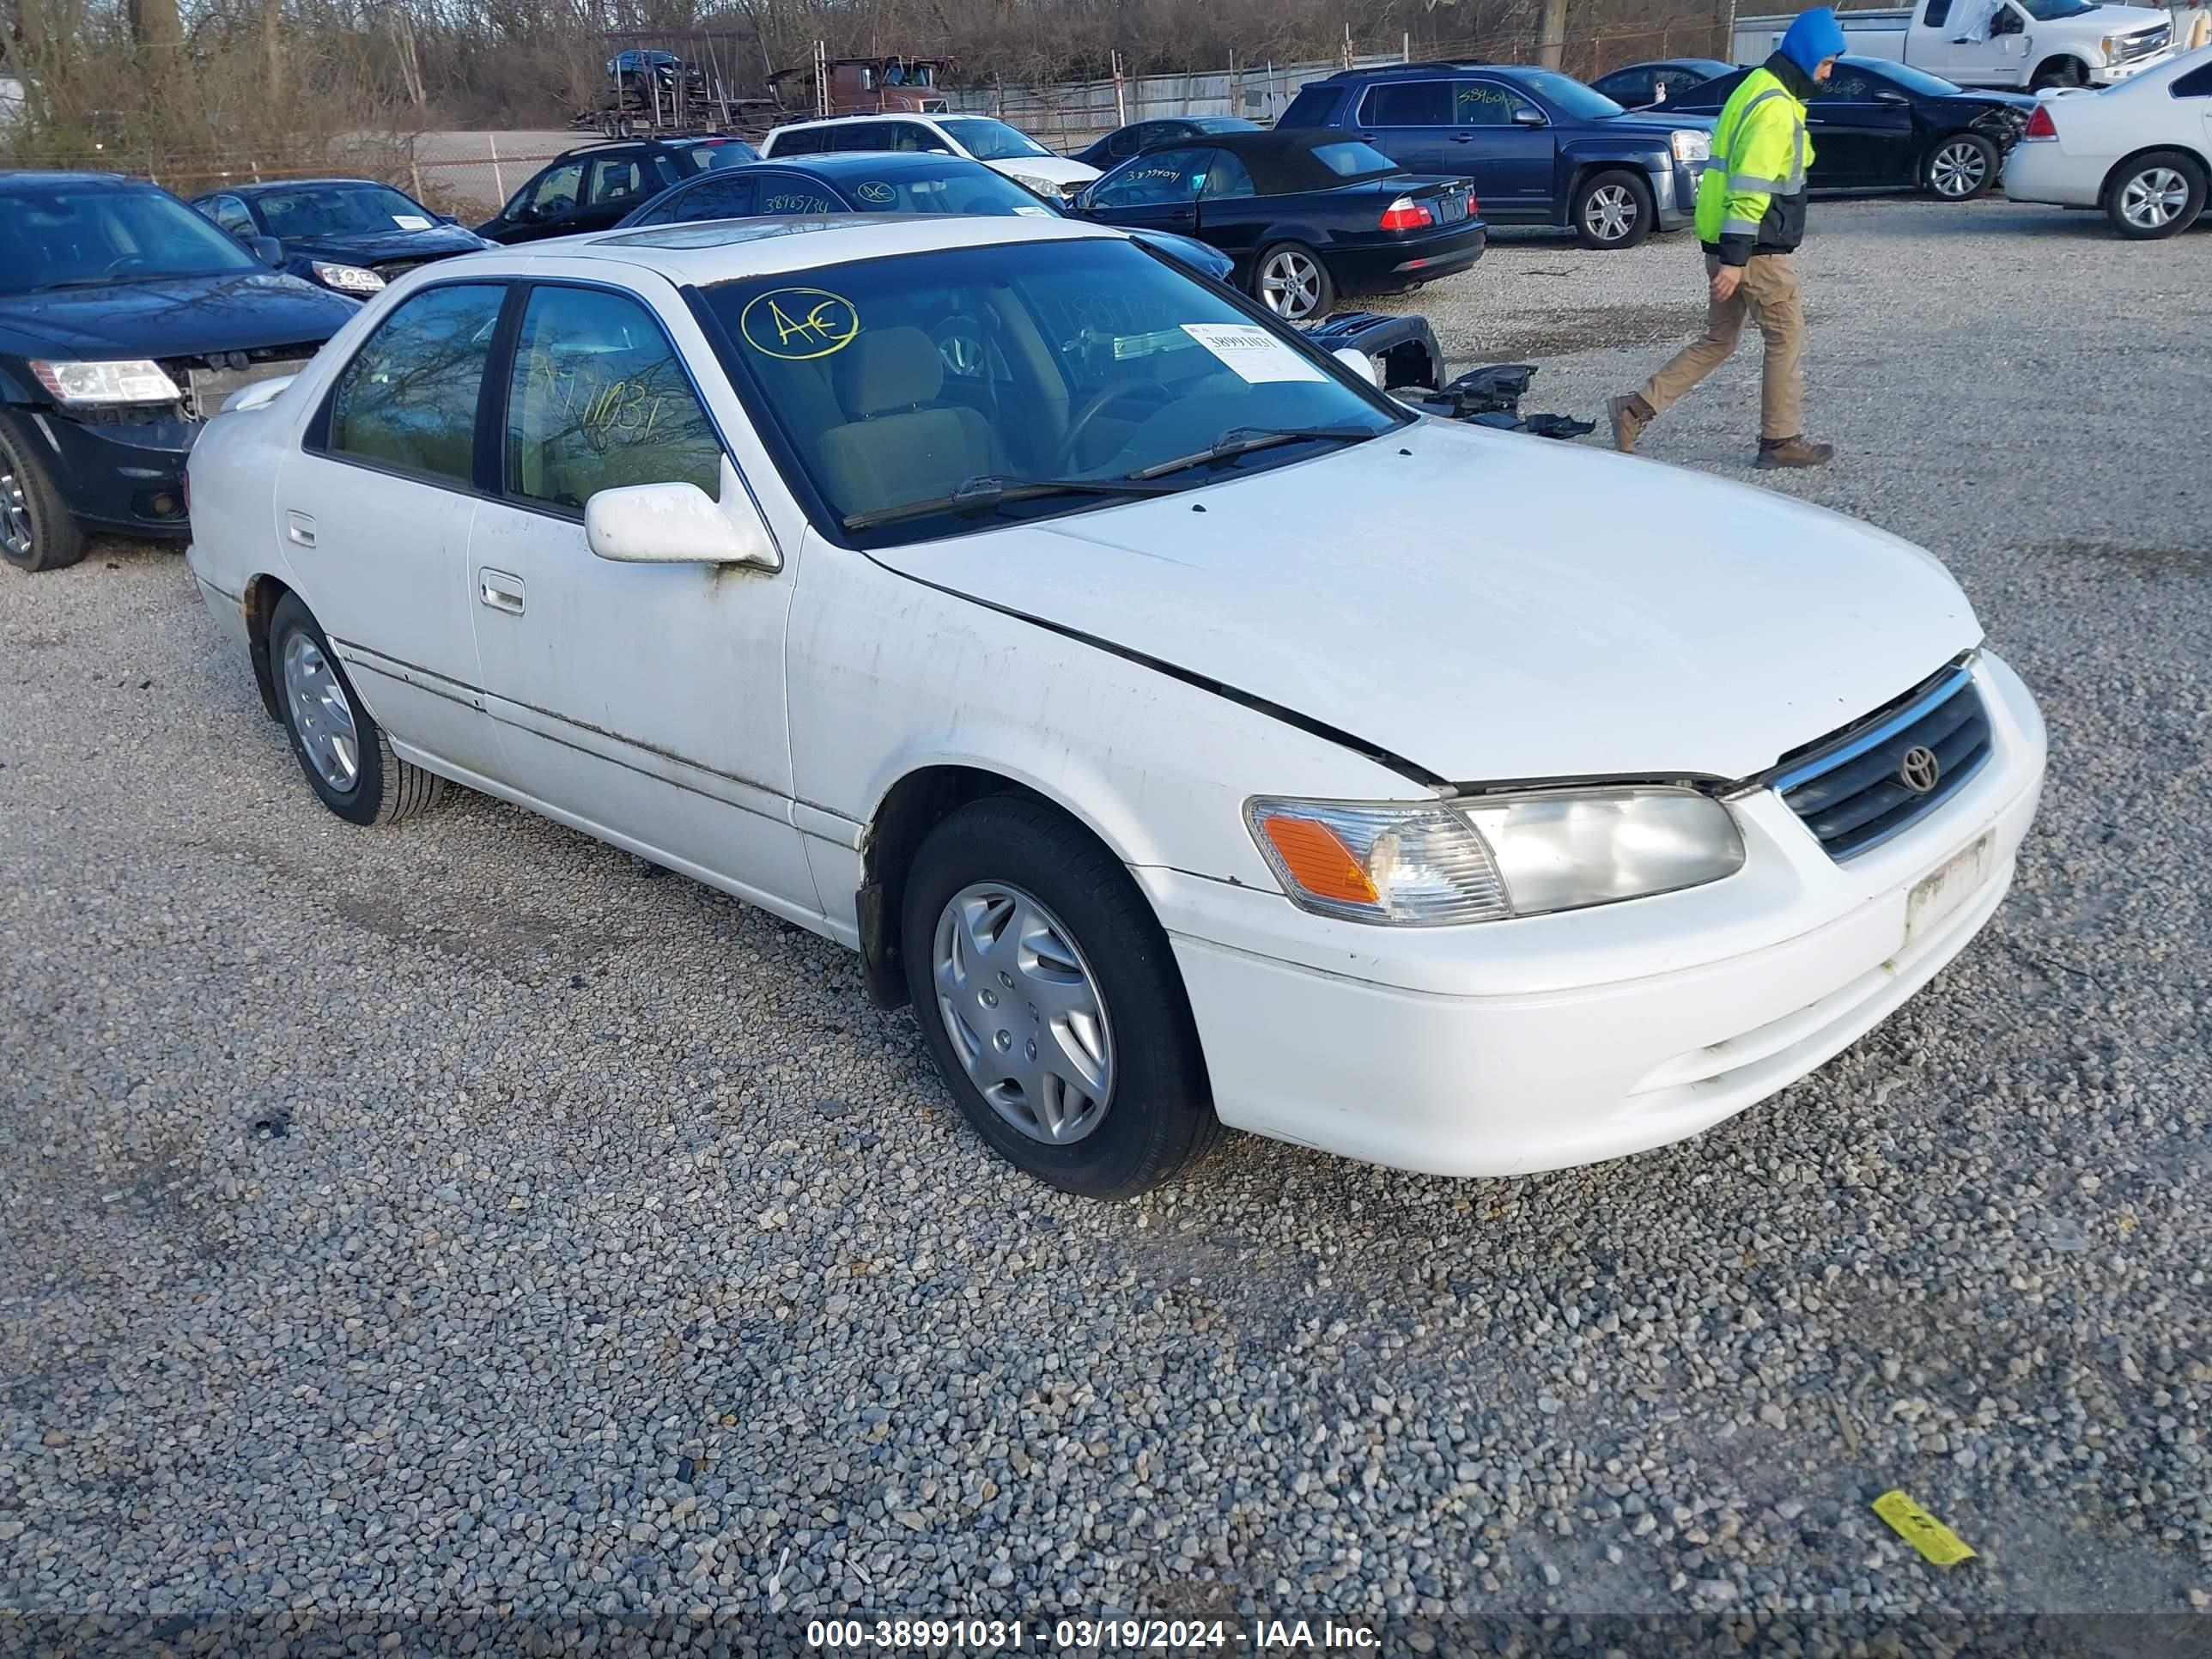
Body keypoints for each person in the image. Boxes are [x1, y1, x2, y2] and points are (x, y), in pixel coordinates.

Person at [1609, 5, 1847, 470]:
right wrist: (1736, 260)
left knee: (1719, 339)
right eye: (1826, 63)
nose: (1829, 73)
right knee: (1786, 336)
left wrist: (1724, 254)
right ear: (1804, 56)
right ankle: (1780, 441)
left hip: (1727, 243)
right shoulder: (1775, 108)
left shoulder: (1754, 88)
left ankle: (1634, 411)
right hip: (1756, 249)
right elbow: (1750, 186)